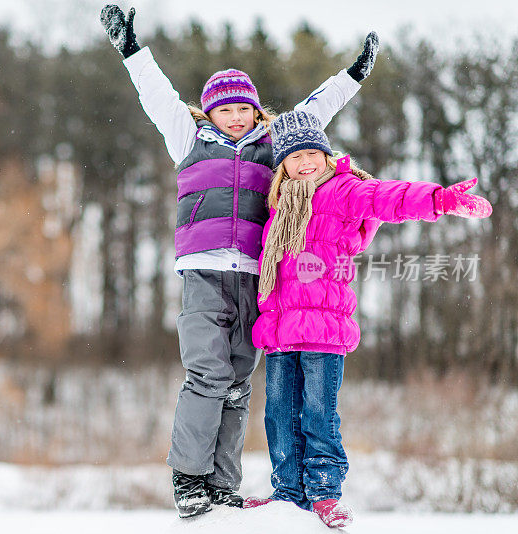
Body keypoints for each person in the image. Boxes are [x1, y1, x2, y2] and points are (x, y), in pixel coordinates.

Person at [99, 4, 378, 518]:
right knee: (205, 372)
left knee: (237, 379)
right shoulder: (188, 139)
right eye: (224, 110)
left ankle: (224, 484)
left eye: (242, 109)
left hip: (256, 275)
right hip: (203, 271)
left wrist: (353, 76)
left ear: (254, 111)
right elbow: (157, 96)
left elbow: (316, 111)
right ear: (209, 113)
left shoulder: (272, 145)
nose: (235, 117)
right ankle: (189, 478)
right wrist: (132, 51)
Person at [245, 110, 492, 527]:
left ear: (325, 155)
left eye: (312, 153)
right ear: (282, 166)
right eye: (294, 157)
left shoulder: (343, 190)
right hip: (282, 331)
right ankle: (288, 490)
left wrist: (438, 199)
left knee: (318, 411)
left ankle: (324, 491)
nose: (305, 163)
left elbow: (387, 197)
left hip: (323, 329)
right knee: (278, 414)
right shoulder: (278, 208)